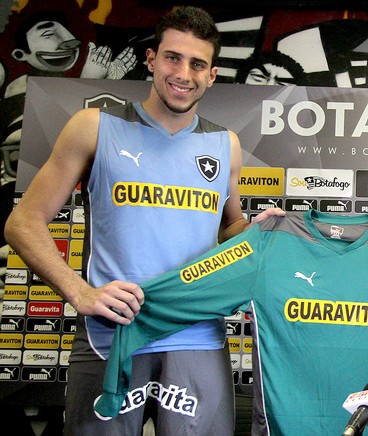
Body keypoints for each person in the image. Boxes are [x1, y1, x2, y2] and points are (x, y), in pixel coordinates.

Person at [4, 6, 282, 435]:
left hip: (196, 334)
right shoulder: (94, 126)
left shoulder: (224, 144)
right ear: (151, 60)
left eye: (197, 63)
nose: (183, 73)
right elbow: (23, 222)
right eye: (173, 57)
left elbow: (228, 228)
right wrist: (80, 293)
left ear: (212, 75)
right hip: (110, 333)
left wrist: (261, 234)